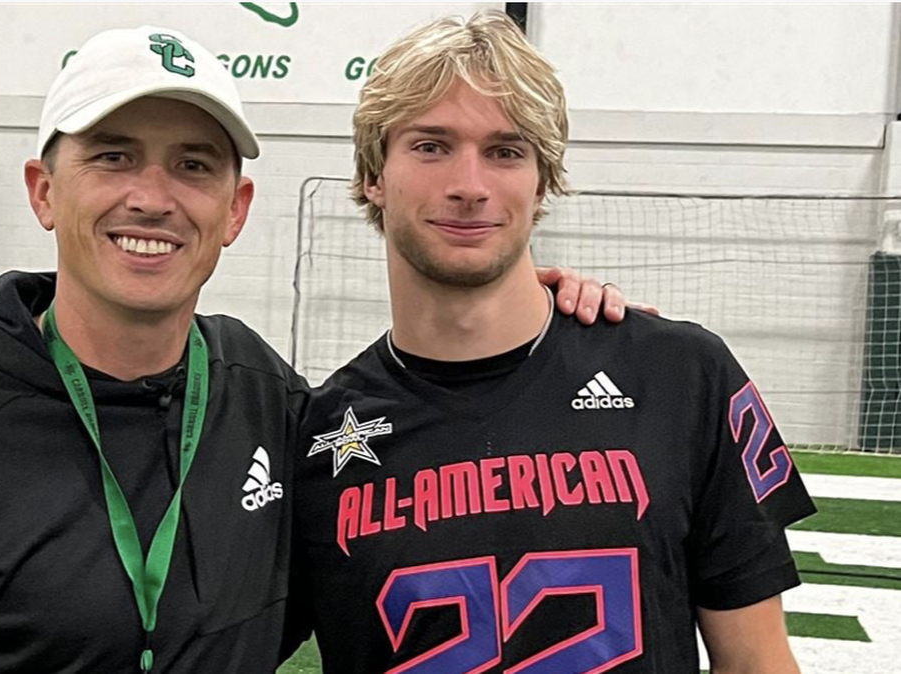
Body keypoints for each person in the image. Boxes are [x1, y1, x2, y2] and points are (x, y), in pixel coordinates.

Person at [0, 23, 629, 674]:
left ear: (235, 209)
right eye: (114, 157)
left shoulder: (271, 402)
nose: (153, 197)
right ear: (43, 191)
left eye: (192, 165)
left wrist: (549, 322)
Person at [291, 11, 815, 674]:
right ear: (374, 174)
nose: (469, 186)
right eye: (430, 146)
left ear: (541, 181)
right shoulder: (312, 435)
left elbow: (757, 661)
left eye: (505, 152)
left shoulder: (678, 375)